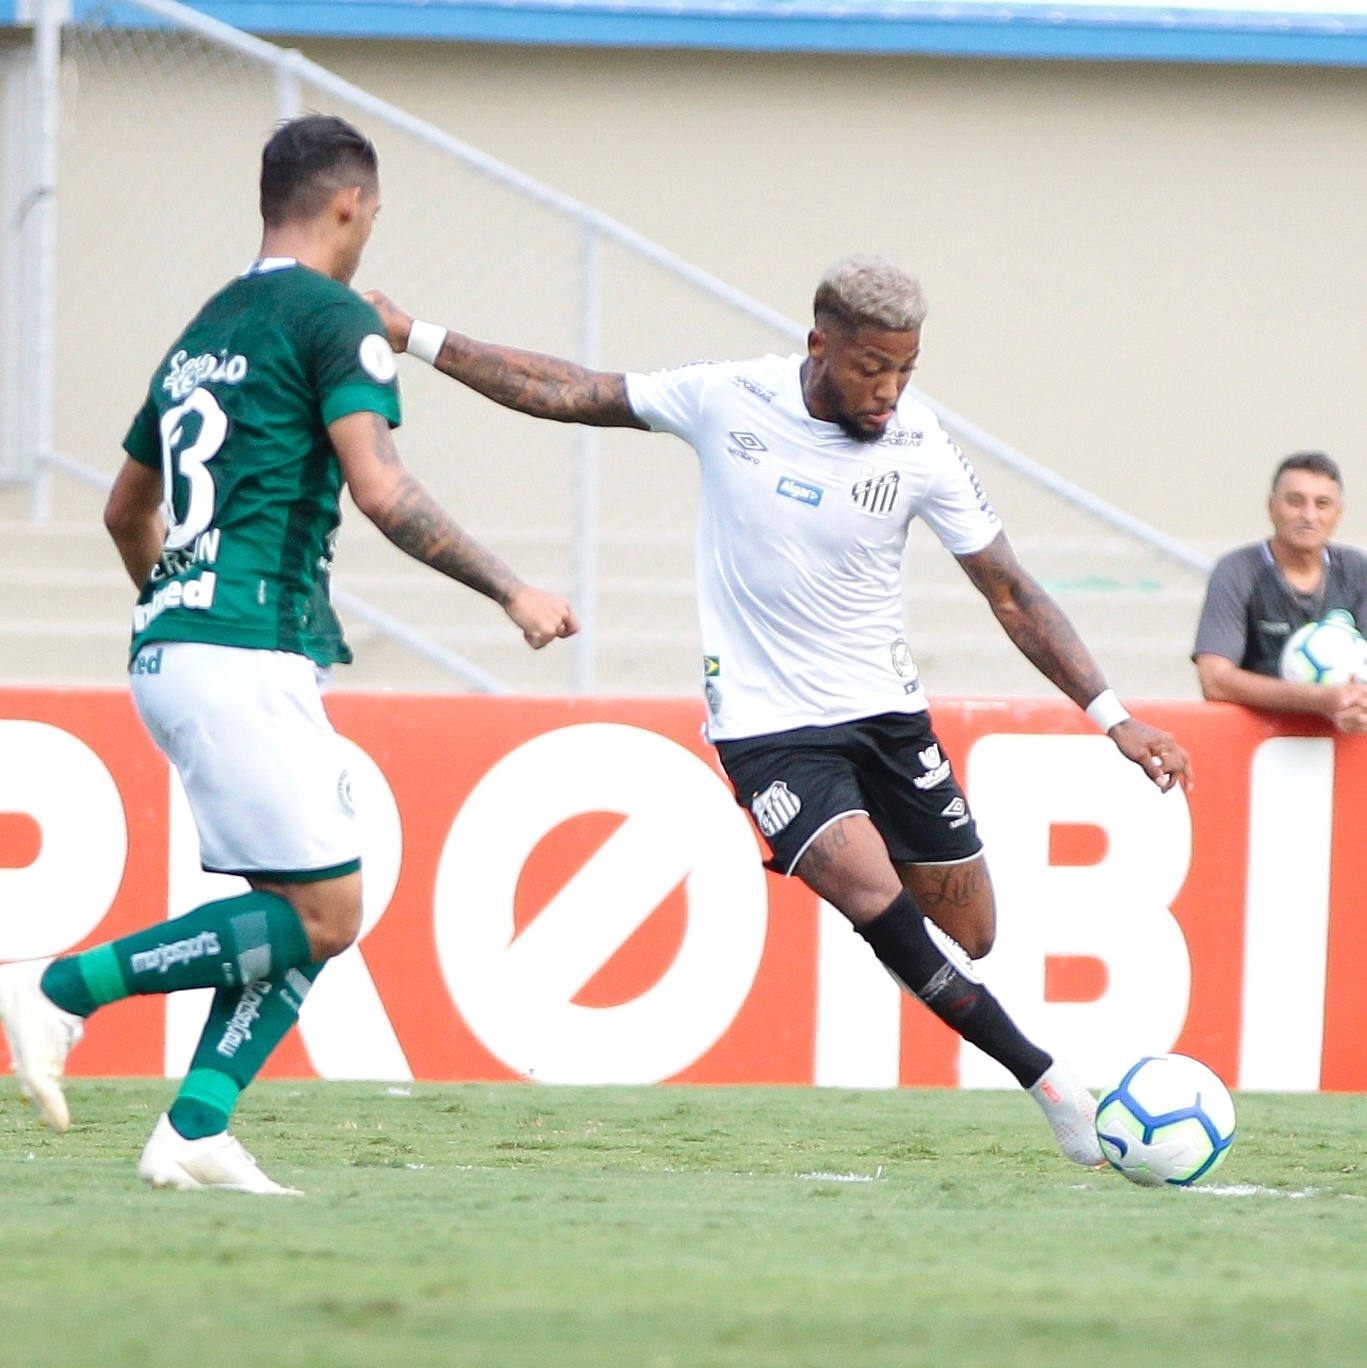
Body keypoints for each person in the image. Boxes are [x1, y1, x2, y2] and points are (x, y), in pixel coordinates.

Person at [364, 254, 1193, 1167]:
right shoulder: (728, 399)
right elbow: (567, 390)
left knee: (971, 930)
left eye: (906, 369)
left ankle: (916, 935)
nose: (889, 390)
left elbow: (1010, 591)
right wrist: (413, 337)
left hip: (886, 718)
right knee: (870, 894)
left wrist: (1111, 714)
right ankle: (1049, 1083)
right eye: (871, 367)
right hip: (766, 729)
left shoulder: (919, 446)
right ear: (819, 345)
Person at [0, 114, 577, 1194]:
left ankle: (195, 1129)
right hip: (241, 646)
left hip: (182, 641)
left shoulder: (207, 326)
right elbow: (383, 488)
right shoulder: (332, 320)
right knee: (329, 912)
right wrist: (513, 589)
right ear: (352, 205)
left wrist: (177, 608)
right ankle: (61, 989)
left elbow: (128, 508)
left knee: (300, 918)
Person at [1193, 451, 1367, 733]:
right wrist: (1320, 700)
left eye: (1322, 504)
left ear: (1339, 513)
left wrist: (1356, 705)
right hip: (1261, 747)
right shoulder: (1237, 570)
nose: (1308, 515)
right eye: (1295, 501)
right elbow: (1215, 679)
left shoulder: (1358, 571)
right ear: (1271, 507)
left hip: (1346, 749)